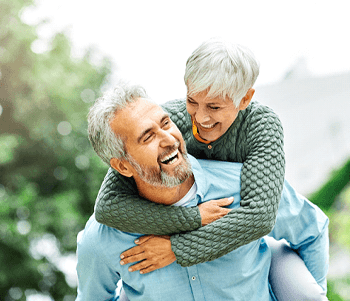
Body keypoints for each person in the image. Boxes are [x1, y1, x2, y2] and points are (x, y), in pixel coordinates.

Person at [77, 85, 329, 300]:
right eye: (147, 137)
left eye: (166, 123)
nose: (169, 139)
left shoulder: (244, 187)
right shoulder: (103, 240)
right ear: (123, 165)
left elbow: (312, 230)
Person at [94, 38, 286, 270]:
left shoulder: (261, 125)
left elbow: (259, 217)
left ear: (244, 98)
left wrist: (176, 248)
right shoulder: (168, 121)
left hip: (280, 237)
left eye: (214, 107)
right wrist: (193, 218)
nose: (201, 118)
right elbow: (108, 206)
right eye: (192, 101)